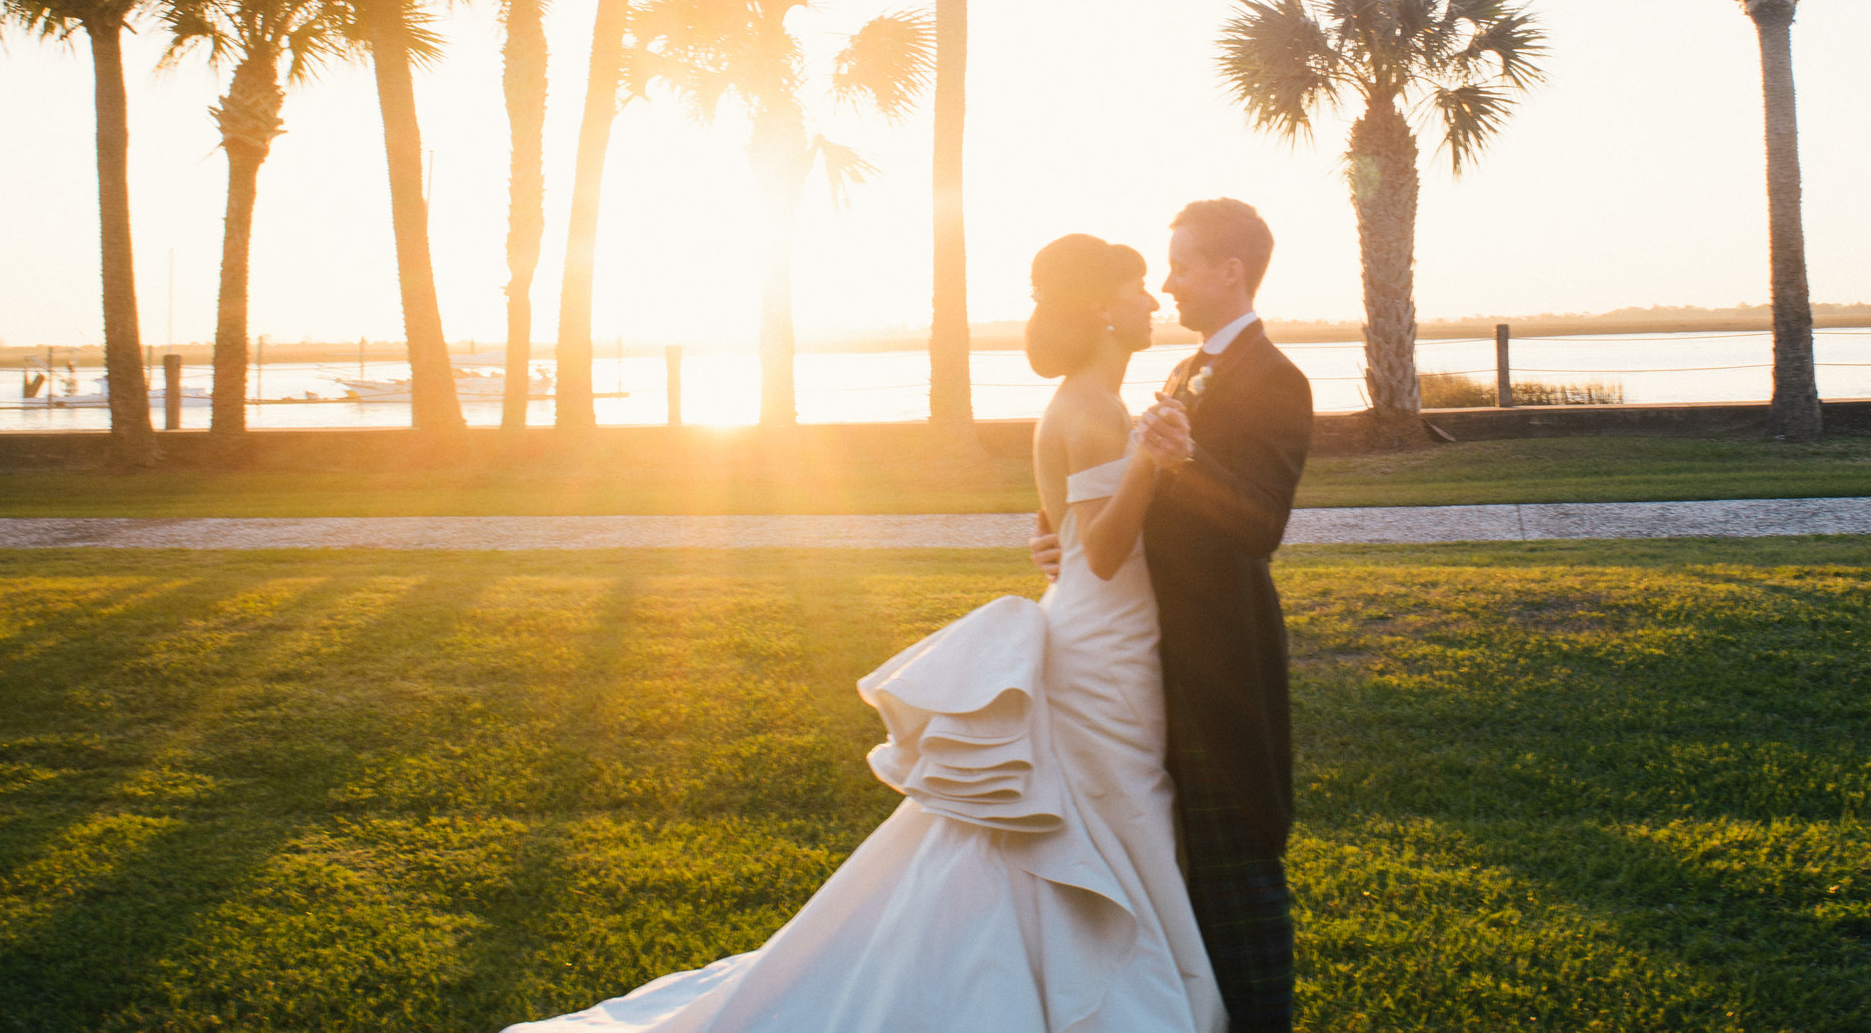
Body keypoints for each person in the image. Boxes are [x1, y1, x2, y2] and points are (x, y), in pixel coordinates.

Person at [504, 234, 1224, 1033]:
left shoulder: (1098, 406)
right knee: (1102, 802)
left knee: (1087, 812)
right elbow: (1102, 546)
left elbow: (1060, 534)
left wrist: (1126, 478)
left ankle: (1031, 965)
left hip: (1099, 626)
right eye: (1135, 287)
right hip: (1101, 646)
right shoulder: (1091, 411)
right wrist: (1152, 465)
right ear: (1100, 306)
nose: (1152, 300)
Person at [1033, 199, 1312, 1033]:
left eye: (1182, 265)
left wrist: (1178, 462)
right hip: (1148, 651)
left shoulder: (1276, 379)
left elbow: (1261, 523)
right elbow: (1121, 502)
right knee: (1178, 852)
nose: (1167, 283)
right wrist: (1066, 540)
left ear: (1231, 272)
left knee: (1238, 851)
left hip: (1218, 659)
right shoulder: (1182, 372)